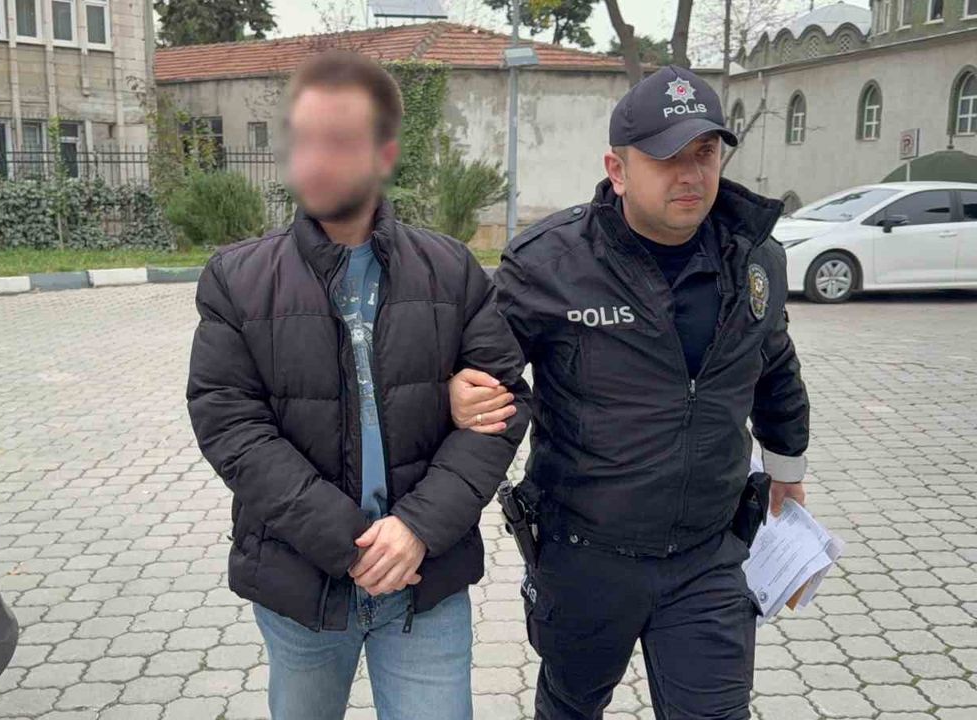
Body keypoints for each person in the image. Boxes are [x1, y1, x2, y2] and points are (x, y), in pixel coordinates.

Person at [449, 66, 811, 720]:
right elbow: (487, 369)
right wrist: (456, 389)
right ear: (617, 170)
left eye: (706, 153)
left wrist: (788, 469)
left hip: (708, 552)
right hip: (586, 557)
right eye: (668, 157)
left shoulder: (756, 256)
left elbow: (775, 361)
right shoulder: (548, 263)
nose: (692, 174)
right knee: (570, 707)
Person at [185, 49, 531, 720]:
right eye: (304, 141)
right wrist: (353, 546)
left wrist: (418, 528)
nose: (316, 161)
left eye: (340, 142)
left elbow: (503, 408)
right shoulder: (236, 280)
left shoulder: (452, 270)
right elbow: (231, 426)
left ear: (384, 155)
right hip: (302, 587)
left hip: (425, 586)